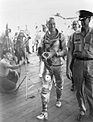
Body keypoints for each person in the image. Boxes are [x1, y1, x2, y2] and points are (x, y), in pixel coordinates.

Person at [37, 17, 67, 120]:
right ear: (47, 25)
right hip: (48, 67)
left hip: (58, 66)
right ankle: (44, 111)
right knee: (45, 88)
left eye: (54, 24)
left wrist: (55, 53)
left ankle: (58, 99)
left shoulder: (61, 36)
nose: (52, 26)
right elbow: (40, 50)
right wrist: (43, 55)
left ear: (56, 24)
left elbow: (65, 51)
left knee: (59, 85)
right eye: (50, 24)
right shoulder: (44, 37)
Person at [66, 10, 93, 121]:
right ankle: (82, 110)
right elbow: (70, 52)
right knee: (78, 90)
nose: (82, 22)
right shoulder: (74, 35)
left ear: (89, 19)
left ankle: (92, 111)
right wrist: (68, 68)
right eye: (80, 20)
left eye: (84, 19)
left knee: (91, 90)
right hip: (77, 64)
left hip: (91, 64)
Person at [67, 20, 80, 91]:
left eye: (76, 24)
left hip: (79, 56)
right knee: (72, 69)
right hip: (73, 56)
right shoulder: (71, 35)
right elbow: (69, 49)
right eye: (73, 25)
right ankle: (73, 83)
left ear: (78, 25)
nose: (74, 26)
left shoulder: (81, 33)